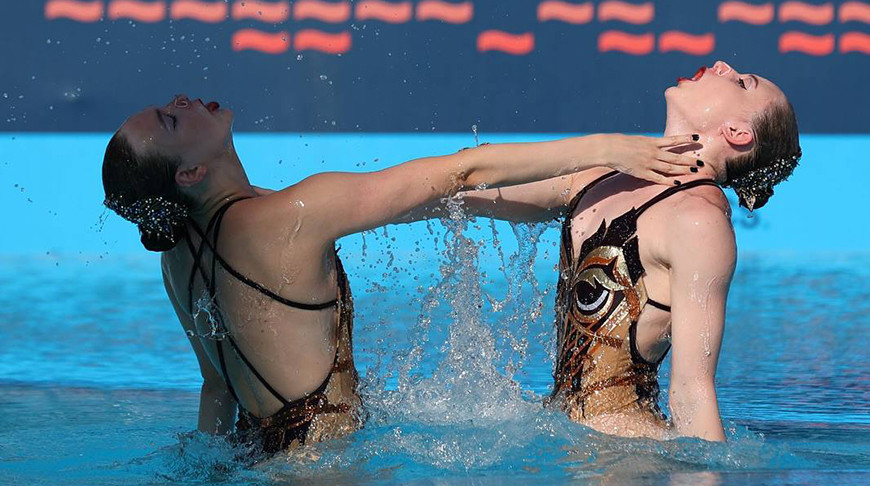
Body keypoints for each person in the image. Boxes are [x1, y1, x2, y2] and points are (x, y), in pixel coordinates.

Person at [101, 95, 701, 455]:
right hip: (324, 470)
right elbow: (462, 173)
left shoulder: (176, 255)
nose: (181, 101)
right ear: (189, 174)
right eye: (170, 120)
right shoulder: (287, 218)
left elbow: (216, 391)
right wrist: (610, 149)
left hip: (254, 458)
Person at [429, 61, 801, 441]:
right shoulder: (597, 180)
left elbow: (691, 391)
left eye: (741, 83)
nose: (722, 66)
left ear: (736, 133)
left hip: (625, 456)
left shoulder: (698, 221)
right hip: (565, 438)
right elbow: (458, 184)